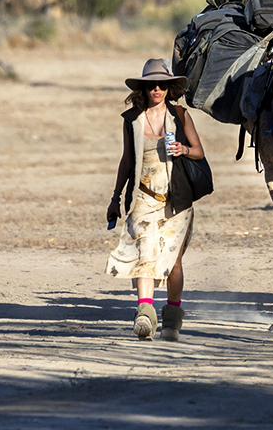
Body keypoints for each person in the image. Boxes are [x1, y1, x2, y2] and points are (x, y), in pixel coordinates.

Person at [106, 58, 204, 342]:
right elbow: (127, 160)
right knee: (145, 255)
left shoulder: (180, 115)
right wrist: (115, 197)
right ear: (144, 88)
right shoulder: (132, 119)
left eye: (162, 85)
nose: (157, 89)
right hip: (143, 198)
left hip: (177, 200)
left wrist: (183, 149)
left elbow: (198, 151)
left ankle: (172, 321)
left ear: (169, 87)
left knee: (174, 263)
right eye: (152, 85)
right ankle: (145, 316)